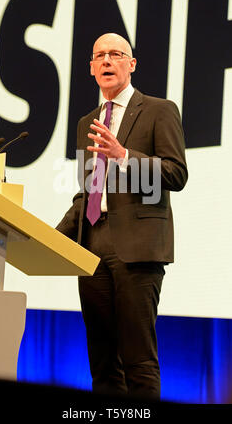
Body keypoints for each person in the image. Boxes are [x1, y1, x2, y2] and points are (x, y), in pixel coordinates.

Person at [56, 33, 188, 400]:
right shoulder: (87, 122)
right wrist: (52, 236)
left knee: (138, 360)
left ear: (131, 64)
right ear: (91, 68)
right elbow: (88, 192)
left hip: (137, 249)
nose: (107, 61)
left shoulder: (160, 110)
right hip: (92, 248)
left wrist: (124, 155)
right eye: (99, 55)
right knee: (101, 361)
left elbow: (176, 174)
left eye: (116, 54)